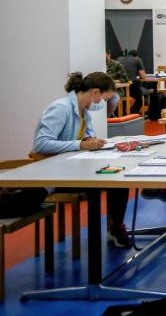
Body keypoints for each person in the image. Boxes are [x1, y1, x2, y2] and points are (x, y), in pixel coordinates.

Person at [33, 72, 131, 247]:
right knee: (115, 182)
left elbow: (87, 139)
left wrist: (94, 142)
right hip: (57, 173)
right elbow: (41, 144)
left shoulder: (84, 112)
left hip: (76, 168)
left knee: (119, 178)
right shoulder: (61, 108)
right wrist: (80, 145)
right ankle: (114, 229)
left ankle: (115, 227)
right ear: (95, 93)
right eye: (104, 99)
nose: (102, 104)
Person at [118, 50, 147, 114]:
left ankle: (122, 112)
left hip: (119, 85)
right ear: (136, 56)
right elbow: (143, 76)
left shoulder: (119, 59)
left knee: (123, 97)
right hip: (131, 84)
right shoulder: (137, 59)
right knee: (139, 97)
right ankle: (133, 112)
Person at [106, 49, 129, 117]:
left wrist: (112, 81)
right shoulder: (98, 65)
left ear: (109, 55)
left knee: (114, 98)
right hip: (102, 90)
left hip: (115, 90)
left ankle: (108, 116)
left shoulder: (117, 65)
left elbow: (125, 79)